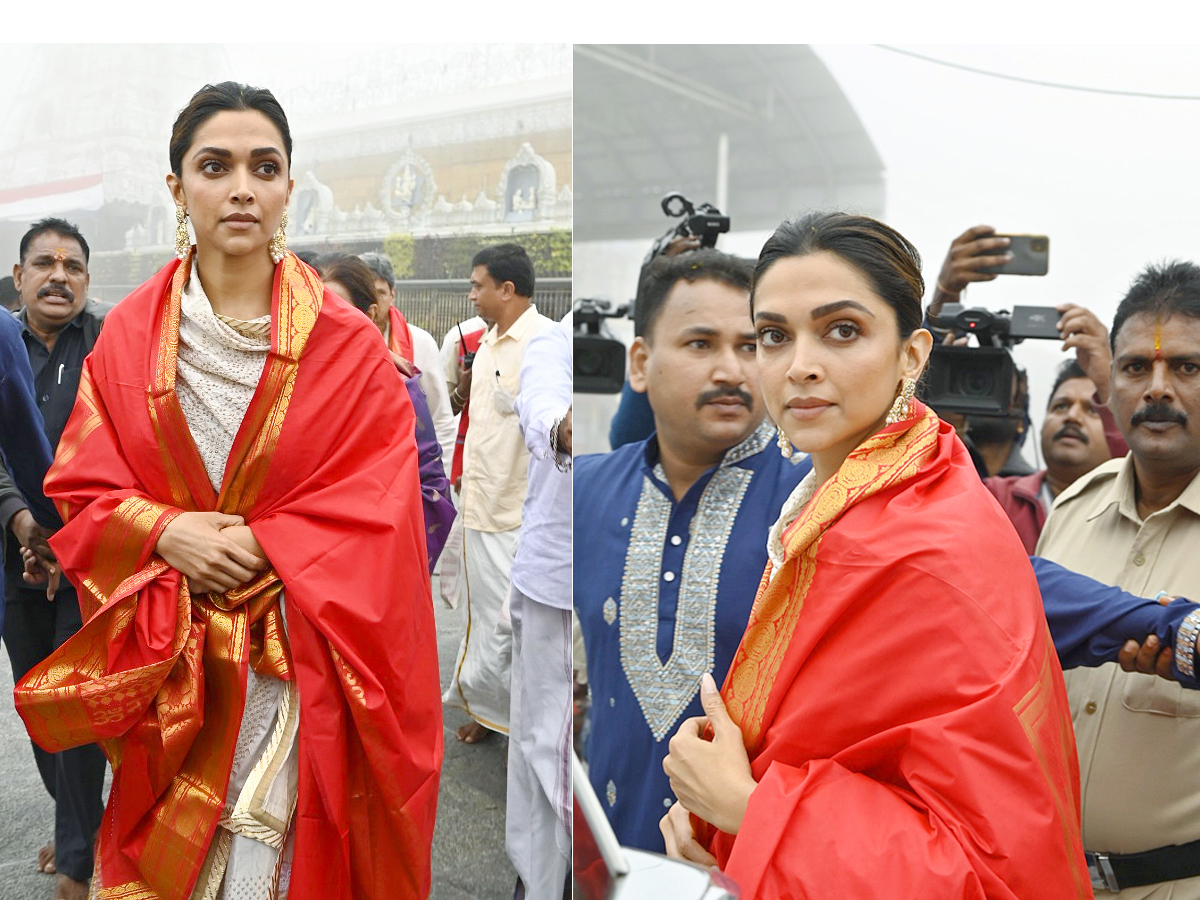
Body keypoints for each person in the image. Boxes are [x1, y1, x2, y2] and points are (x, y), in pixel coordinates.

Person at [12, 82, 442, 900]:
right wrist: (164, 532)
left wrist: (270, 543)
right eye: (216, 165)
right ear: (178, 187)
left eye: (264, 166)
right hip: (172, 664)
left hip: (304, 664)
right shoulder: (129, 339)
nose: (242, 186)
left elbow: (388, 502)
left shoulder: (348, 347)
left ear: (288, 186)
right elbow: (83, 485)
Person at [659, 212, 1089, 898]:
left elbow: (983, 868)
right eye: (773, 335)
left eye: (842, 330)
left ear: (913, 354)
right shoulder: (841, 504)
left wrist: (746, 810)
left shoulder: (928, 544)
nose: (800, 365)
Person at [573, 249, 808, 850]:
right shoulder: (584, 489)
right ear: (641, 363)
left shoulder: (820, 502)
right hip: (601, 856)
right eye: (701, 344)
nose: (732, 370)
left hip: (743, 866)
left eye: (753, 345)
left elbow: (976, 582)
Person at [1037, 259, 1200, 898]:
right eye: (1136, 368)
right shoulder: (1076, 504)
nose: (1157, 388)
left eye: (1186, 367)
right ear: (1111, 384)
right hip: (1047, 878)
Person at [0, 217, 108, 900]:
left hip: (90, 554)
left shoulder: (108, 342)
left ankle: (77, 858)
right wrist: (21, 521)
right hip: (14, 549)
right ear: (20, 276)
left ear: (87, 281)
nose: (58, 275)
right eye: (44, 263)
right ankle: (81, 825)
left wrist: (68, 539)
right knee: (38, 702)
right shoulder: (1, 339)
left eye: (72, 266)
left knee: (77, 703)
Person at [443, 243, 553, 744]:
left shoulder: (545, 346)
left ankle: (525, 722)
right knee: (483, 618)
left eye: (477, 285)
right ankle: (490, 713)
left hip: (518, 513)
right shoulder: (486, 343)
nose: (471, 296)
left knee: (513, 623)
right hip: (480, 503)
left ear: (506, 290)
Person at [316, 252, 456, 569]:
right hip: (309, 554)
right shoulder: (294, 382)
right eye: (315, 308)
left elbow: (428, 486)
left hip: (377, 553)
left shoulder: (401, 383)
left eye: (339, 310)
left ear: (371, 313)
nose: (324, 320)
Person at [505, 311, 572, 900]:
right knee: (546, 747)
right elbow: (543, 411)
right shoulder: (558, 342)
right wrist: (565, 427)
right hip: (557, 582)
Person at [986, 359, 1113, 552]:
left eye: (1092, 410)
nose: (1072, 416)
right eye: (1061, 406)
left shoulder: (1134, 509)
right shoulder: (995, 497)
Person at [360, 250, 456, 471]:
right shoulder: (339, 343)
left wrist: (440, 483)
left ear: (393, 294)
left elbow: (440, 419)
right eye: (367, 294)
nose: (374, 303)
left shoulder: (420, 342)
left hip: (409, 469)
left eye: (381, 293)